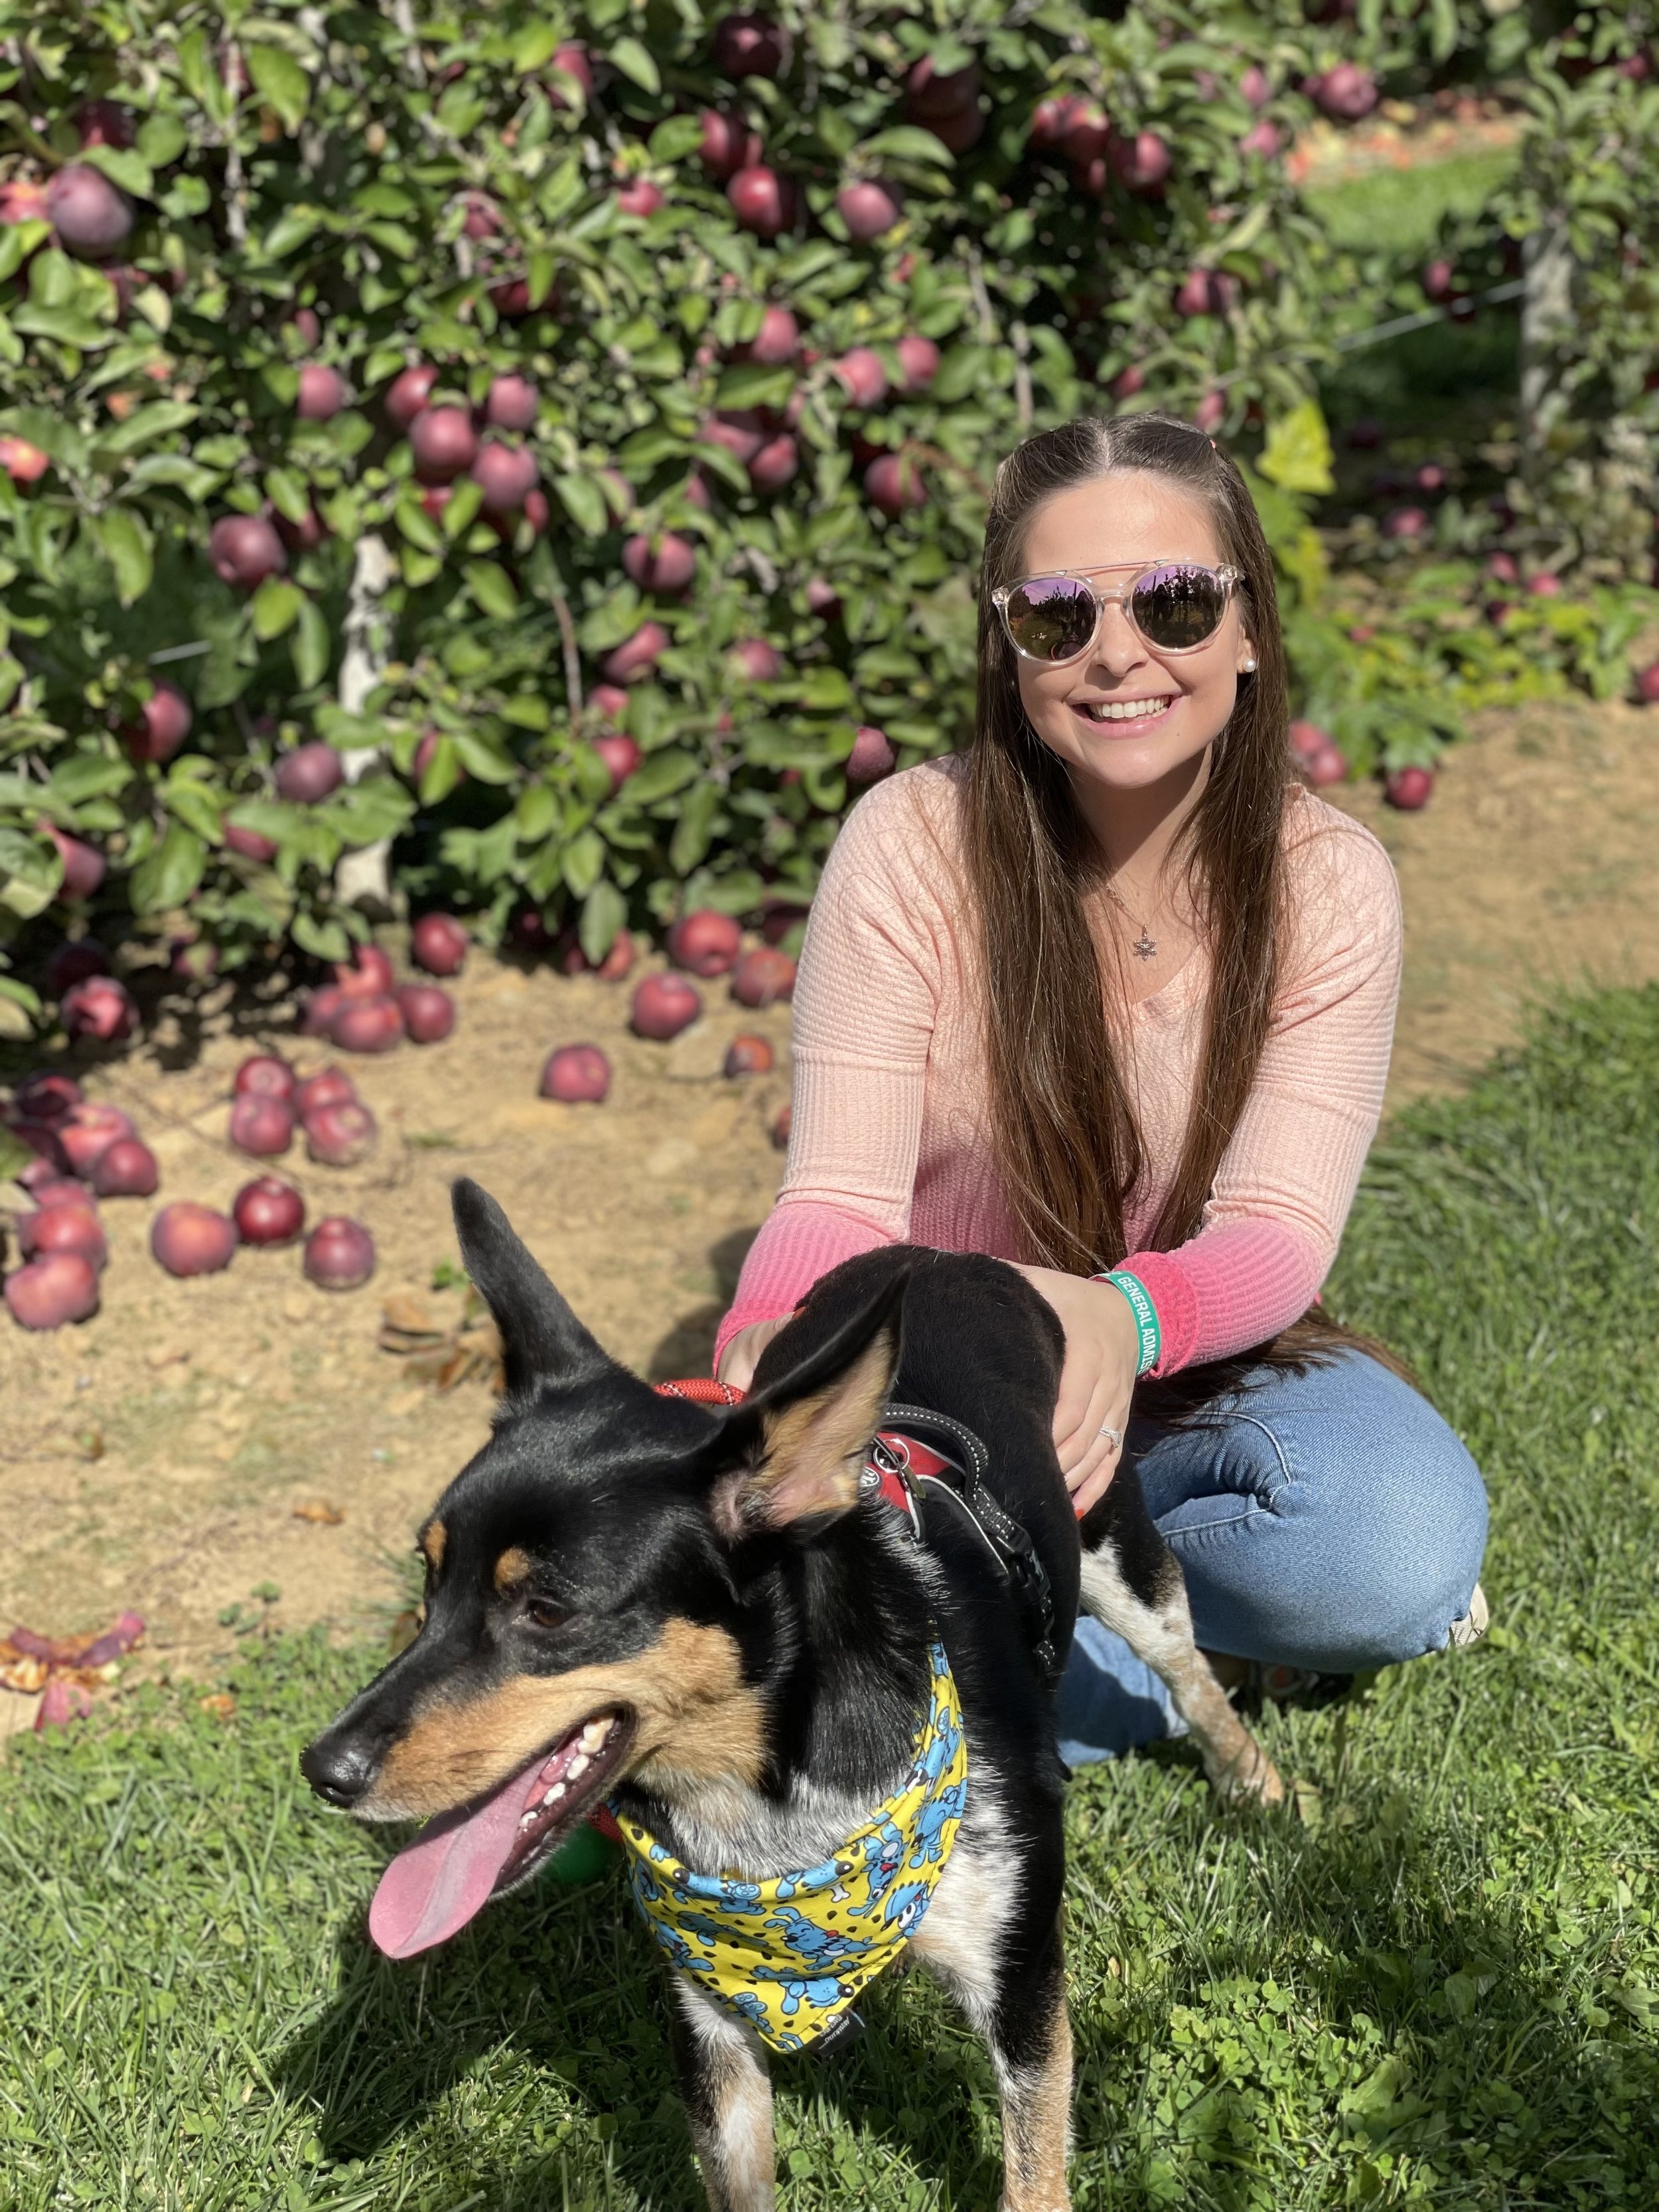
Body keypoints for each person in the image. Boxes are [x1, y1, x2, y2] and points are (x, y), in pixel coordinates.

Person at [713, 413, 1488, 1763]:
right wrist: (776, 1325)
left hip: (1189, 1372)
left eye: (1176, 602)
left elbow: (1273, 1235)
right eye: (1057, 616)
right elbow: (838, 1191)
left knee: (1394, 1543)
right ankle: (1141, 1657)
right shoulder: (907, 850)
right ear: (1006, 649)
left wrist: (1118, 1314)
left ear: (1246, 628)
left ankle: (965, 1672)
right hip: (942, 1408)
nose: (1118, 652)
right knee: (791, 1569)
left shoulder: (1325, 884)